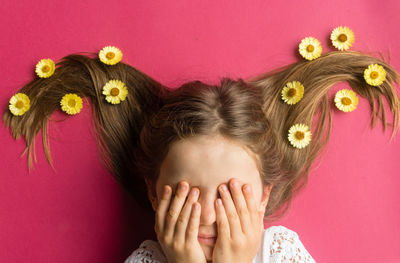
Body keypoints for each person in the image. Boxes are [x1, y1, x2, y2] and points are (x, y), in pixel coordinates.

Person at [3, 44, 400, 262]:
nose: (208, 215)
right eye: (187, 194)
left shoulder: (281, 254)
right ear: (155, 194)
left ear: (263, 197)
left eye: (230, 193)